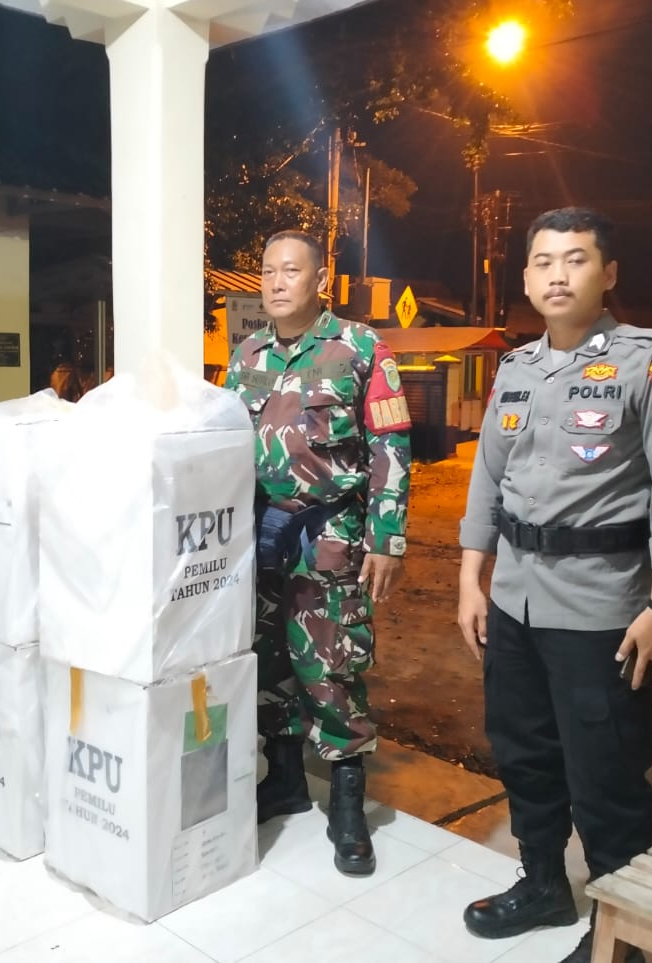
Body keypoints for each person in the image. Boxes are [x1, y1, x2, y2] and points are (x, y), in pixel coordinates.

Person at [456, 207, 652, 962]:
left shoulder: (651, 362)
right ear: (528, 278)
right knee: (524, 755)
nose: (557, 275)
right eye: (543, 261)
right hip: (514, 601)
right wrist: (470, 577)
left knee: (607, 776)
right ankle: (542, 883)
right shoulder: (516, 367)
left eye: (576, 259)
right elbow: (487, 477)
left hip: (602, 609)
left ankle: (621, 933)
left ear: (608, 273)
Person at [226, 230, 411, 877]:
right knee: (267, 656)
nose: (277, 282)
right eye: (268, 271)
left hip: (331, 532)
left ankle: (348, 805)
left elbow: (391, 444)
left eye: (291, 270)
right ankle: (284, 780)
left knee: (331, 662)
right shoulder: (246, 354)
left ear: (320, 279)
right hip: (261, 532)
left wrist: (387, 536)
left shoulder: (360, 348)